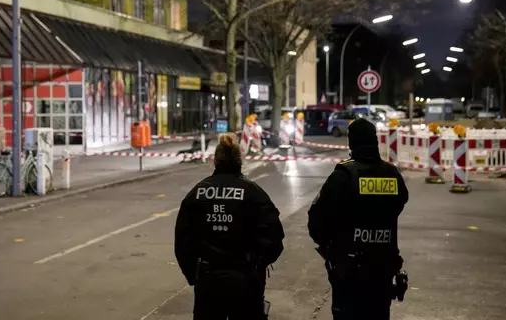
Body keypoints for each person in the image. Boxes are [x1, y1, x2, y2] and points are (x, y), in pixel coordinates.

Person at [174, 133, 285, 320]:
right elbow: (274, 237)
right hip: (244, 280)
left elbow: (183, 242)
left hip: (208, 281)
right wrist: (257, 269)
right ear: (240, 160)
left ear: (215, 160)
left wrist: (194, 276)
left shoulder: (197, 193)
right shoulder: (253, 192)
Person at [308, 119, 409, 320]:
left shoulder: (343, 176)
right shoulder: (392, 174)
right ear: (375, 141)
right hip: (382, 269)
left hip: (350, 271)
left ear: (351, 143)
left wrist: (330, 248)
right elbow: (400, 203)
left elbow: (316, 221)